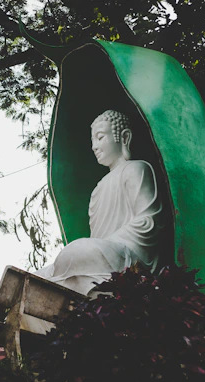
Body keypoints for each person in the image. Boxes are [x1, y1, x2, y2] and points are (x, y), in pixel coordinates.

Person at [36, 110, 163, 296]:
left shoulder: (136, 169)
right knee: (37, 275)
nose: (95, 146)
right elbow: (97, 238)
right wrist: (99, 246)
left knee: (78, 249)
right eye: (92, 141)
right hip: (102, 254)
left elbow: (148, 222)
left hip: (130, 256)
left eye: (100, 137)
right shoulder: (98, 189)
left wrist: (106, 245)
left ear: (124, 137)